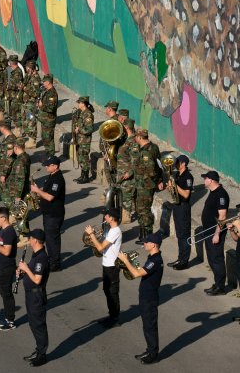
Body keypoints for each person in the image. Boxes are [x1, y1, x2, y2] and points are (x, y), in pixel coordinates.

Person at [117, 232, 163, 365]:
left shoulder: (155, 261)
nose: (144, 244)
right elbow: (139, 269)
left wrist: (126, 260)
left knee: (150, 326)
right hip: (146, 297)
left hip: (149, 299)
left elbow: (137, 273)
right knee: (147, 326)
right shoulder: (152, 258)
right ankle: (149, 350)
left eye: (146, 242)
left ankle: (153, 354)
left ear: (153, 244)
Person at [85, 208, 122, 328]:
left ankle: (115, 318)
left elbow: (100, 248)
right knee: (107, 290)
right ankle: (111, 315)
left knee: (112, 292)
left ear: (112, 218)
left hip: (112, 266)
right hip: (106, 264)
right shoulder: (111, 230)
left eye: (107, 215)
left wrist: (91, 234)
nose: (105, 217)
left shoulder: (115, 231)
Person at [18, 229, 50, 367]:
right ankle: (38, 350)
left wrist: (26, 269)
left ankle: (42, 354)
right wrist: (22, 273)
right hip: (31, 294)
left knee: (38, 325)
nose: (29, 241)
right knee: (33, 323)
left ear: (36, 240)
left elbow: (37, 279)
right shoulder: (36, 254)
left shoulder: (41, 258)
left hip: (36, 295)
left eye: (30, 238)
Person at [30, 155, 65, 271]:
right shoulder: (51, 176)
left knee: (52, 239)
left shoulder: (58, 179)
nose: (46, 167)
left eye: (48, 166)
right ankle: (52, 259)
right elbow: (46, 193)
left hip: (54, 214)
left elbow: (50, 197)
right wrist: (38, 190)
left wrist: (37, 191)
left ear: (55, 166)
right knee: (50, 238)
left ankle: (55, 263)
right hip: (48, 213)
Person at [200, 170, 229, 296]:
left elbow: (222, 217)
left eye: (205, 178)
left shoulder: (221, 195)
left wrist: (217, 234)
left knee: (217, 259)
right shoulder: (213, 192)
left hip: (214, 233)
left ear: (211, 180)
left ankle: (220, 287)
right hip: (208, 231)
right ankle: (217, 283)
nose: (203, 180)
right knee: (212, 259)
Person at [166, 155, 193, 270]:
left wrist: (175, 186)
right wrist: (170, 187)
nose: (175, 165)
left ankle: (184, 261)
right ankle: (180, 258)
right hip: (177, 206)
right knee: (179, 234)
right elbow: (174, 191)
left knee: (184, 235)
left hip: (183, 208)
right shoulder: (176, 175)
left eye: (177, 163)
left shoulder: (188, 177)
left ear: (183, 164)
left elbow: (186, 194)